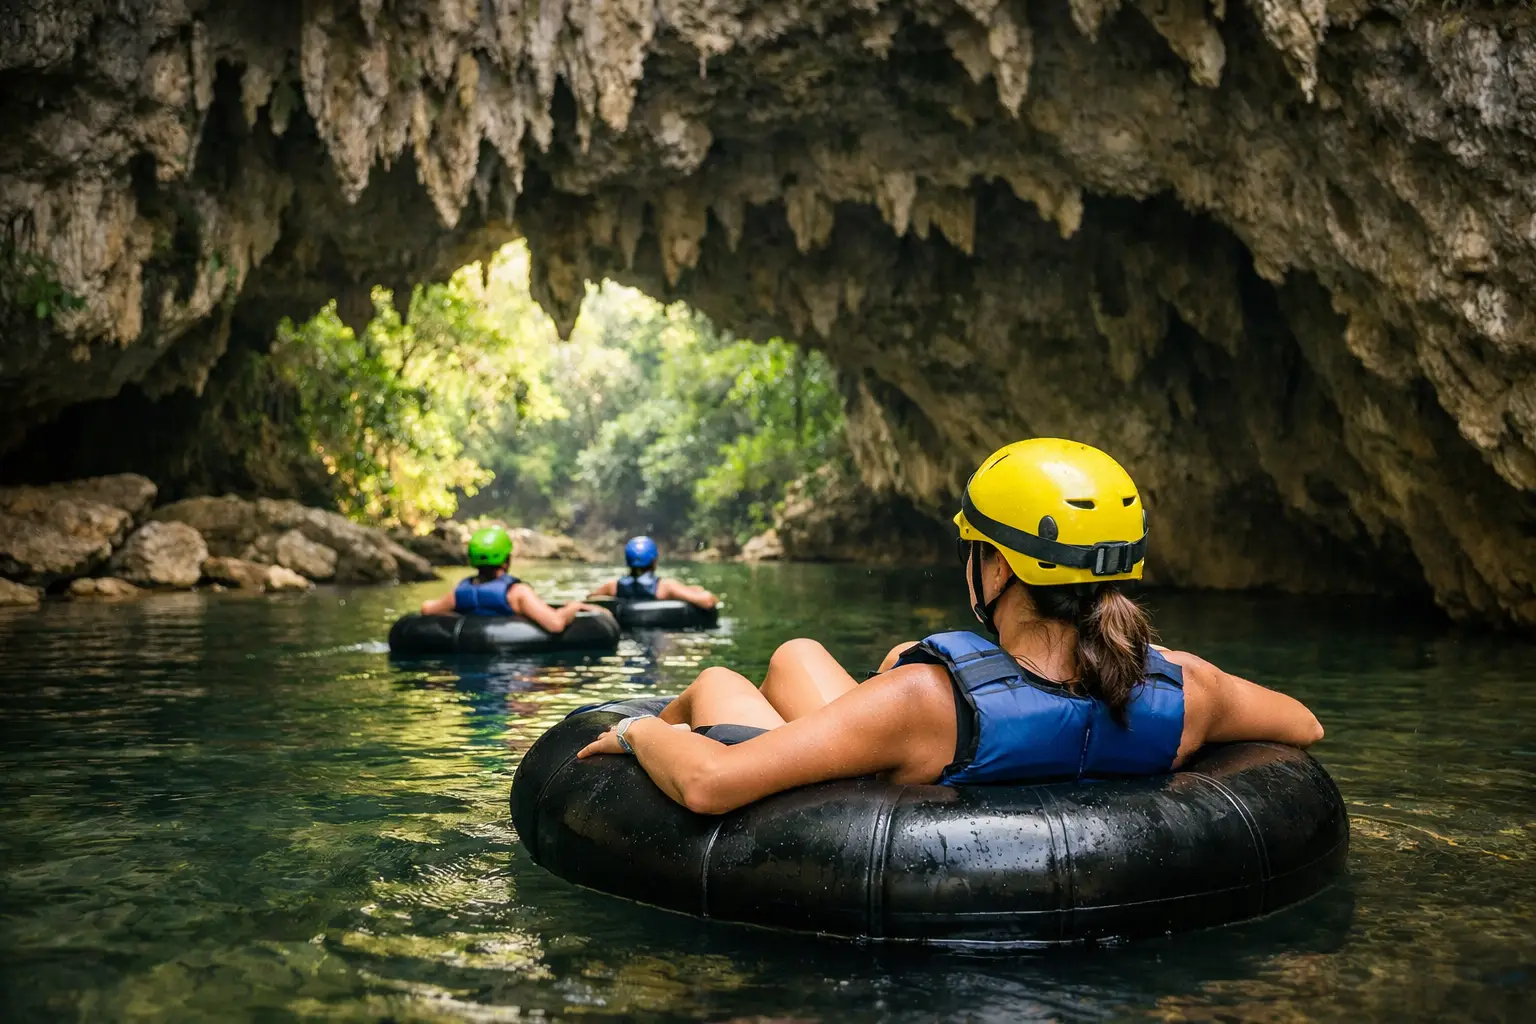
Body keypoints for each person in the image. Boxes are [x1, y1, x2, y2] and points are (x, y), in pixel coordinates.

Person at [578, 438, 1324, 815]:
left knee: (715, 680)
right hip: (951, 736)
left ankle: (639, 729)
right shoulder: (1190, 687)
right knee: (800, 653)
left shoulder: (925, 701)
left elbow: (710, 789)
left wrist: (645, 732)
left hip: (913, 747)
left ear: (997, 569)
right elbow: (1305, 728)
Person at [420, 525, 604, 633]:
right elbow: (555, 624)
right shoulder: (517, 593)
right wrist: (573, 606)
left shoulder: (459, 594)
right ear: (506, 560)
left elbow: (427, 609)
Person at [588, 535, 718, 609]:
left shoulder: (613, 587)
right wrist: (704, 593)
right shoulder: (666, 587)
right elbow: (706, 602)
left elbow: (590, 599)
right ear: (654, 561)